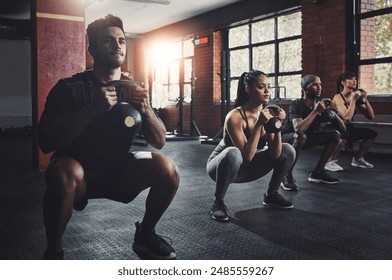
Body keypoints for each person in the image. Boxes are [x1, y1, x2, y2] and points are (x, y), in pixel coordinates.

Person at [38, 14, 179, 260]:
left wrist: (146, 109)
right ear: (91, 48)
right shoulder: (68, 88)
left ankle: (145, 236)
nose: (117, 46)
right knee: (63, 172)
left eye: (122, 41)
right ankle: (54, 252)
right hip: (77, 172)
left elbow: (159, 141)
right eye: (108, 41)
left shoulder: (134, 89)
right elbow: (46, 142)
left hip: (118, 170)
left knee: (168, 167)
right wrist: (91, 109)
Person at [206, 70, 296, 222]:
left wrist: (277, 126)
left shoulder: (268, 114)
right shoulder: (234, 117)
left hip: (247, 168)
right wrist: (260, 124)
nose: (267, 91)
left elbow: (275, 154)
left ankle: (271, 195)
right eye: (261, 87)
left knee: (288, 150)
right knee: (232, 152)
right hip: (222, 167)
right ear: (248, 89)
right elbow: (245, 156)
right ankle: (218, 202)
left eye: (268, 86)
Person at [280, 74, 345, 190]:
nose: (319, 87)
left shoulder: (321, 106)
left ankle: (318, 172)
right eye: (315, 85)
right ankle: (286, 175)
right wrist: (315, 112)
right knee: (300, 136)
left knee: (335, 135)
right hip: (286, 139)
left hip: (306, 138)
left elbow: (343, 130)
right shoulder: (297, 105)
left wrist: (334, 113)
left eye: (320, 84)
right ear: (305, 89)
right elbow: (298, 129)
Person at [325, 71, 377, 171]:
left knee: (372, 134)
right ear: (343, 83)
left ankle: (357, 159)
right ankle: (328, 161)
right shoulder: (338, 97)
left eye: (355, 79)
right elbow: (346, 117)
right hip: (334, 129)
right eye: (351, 79)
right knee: (344, 135)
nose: (354, 81)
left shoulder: (355, 97)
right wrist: (353, 100)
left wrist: (365, 100)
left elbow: (371, 116)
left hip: (346, 128)